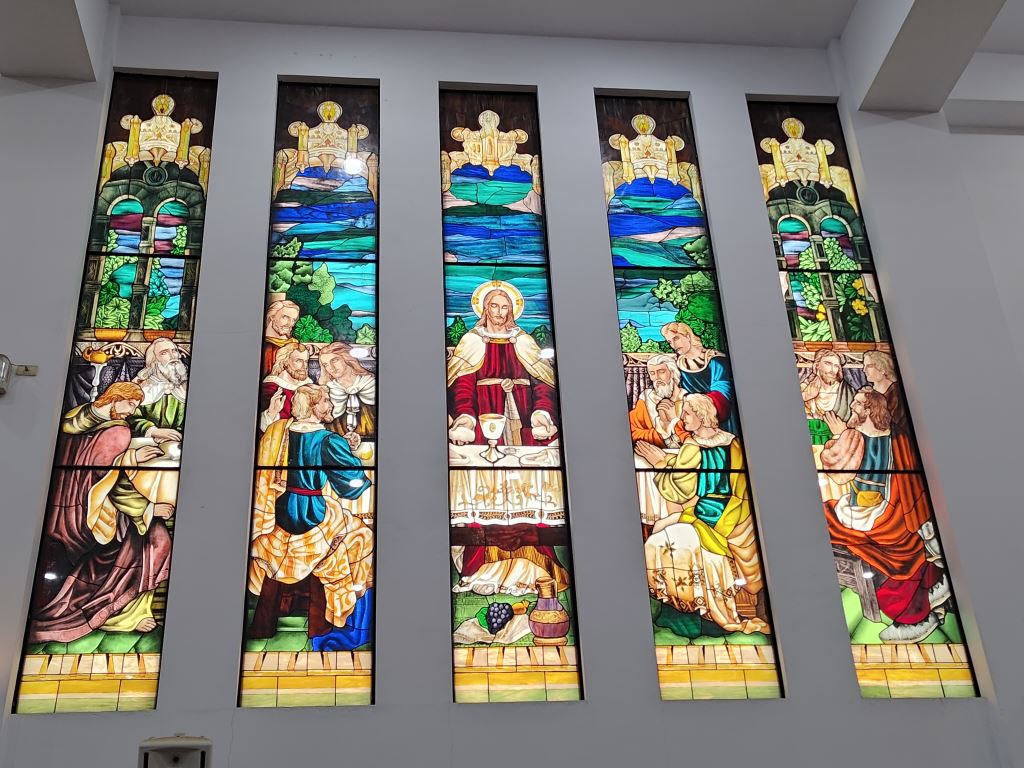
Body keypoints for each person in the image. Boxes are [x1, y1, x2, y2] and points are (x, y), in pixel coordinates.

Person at [30, 383, 175, 642]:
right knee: (156, 540)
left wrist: (150, 432)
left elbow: (100, 456)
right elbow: (110, 481)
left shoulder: (79, 416)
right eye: (131, 403)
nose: (133, 410)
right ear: (116, 398)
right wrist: (149, 506)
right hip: (89, 513)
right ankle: (116, 615)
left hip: (61, 507)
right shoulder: (117, 432)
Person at [248, 384, 374, 649]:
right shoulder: (327, 440)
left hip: (278, 512)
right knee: (362, 534)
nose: (331, 406)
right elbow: (350, 484)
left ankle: (268, 618)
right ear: (314, 407)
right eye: (326, 401)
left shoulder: (278, 430)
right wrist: (351, 457)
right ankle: (330, 617)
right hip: (311, 513)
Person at [820, 387, 948, 643]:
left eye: (857, 404)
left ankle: (912, 617)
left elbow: (837, 470)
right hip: (899, 512)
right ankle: (934, 585)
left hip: (872, 516)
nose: (852, 407)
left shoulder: (855, 437)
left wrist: (839, 435)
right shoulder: (898, 436)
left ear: (869, 409)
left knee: (823, 517)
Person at [634, 394, 767, 637]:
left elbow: (679, 489)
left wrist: (660, 463)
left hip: (707, 512)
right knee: (664, 526)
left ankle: (685, 606)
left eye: (687, 413)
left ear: (702, 415)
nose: (683, 418)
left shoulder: (692, 447)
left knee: (658, 535)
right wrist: (669, 460)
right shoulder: (733, 443)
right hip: (738, 512)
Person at [447, 283, 557, 447]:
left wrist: (542, 412)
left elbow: (542, 382)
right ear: (486, 308)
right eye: (494, 306)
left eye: (504, 307)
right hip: (484, 413)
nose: (499, 311)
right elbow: (463, 385)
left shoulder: (524, 341)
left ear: (510, 310)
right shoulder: (473, 341)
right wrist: (465, 416)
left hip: (524, 412)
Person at [660, 321, 736, 434]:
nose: (674, 345)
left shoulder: (715, 360)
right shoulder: (678, 365)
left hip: (718, 418)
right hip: (691, 420)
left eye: (676, 338)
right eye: (670, 342)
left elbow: (723, 393)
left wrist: (694, 406)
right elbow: (677, 394)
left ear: (688, 336)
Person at [129, 338, 188, 445]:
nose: (173, 356)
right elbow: (130, 417)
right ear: (153, 361)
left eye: (174, 351)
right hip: (144, 443)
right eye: (164, 353)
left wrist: (176, 434)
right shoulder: (140, 387)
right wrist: (153, 431)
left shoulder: (185, 387)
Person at [318, 341, 376, 438]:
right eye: (326, 365)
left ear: (347, 358)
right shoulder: (326, 390)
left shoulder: (371, 384)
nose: (331, 367)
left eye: (334, 360)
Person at [629, 353, 687, 449]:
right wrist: (662, 429)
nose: (657, 377)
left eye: (661, 372)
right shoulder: (645, 400)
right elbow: (632, 433)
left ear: (672, 373)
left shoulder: (688, 399)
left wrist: (674, 420)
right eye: (652, 373)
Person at [259, 342, 313, 432]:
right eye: (298, 361)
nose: (304, 366)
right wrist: (271, 413)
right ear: (285, 362)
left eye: (306, 361)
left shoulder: (309, 386)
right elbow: (262, 428)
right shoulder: (271, 389)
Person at [801, 348, 855, 423]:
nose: (832, 370)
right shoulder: (805, 388)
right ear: (817, 365)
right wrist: (806, 396)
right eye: (828, 364)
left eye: (836, 366)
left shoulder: (848, 392)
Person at [262, 299, 300, 374]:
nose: (290, 324)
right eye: (285, 317)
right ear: (272, 317)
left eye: (293, 320)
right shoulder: (266, 346)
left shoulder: (295, 343)